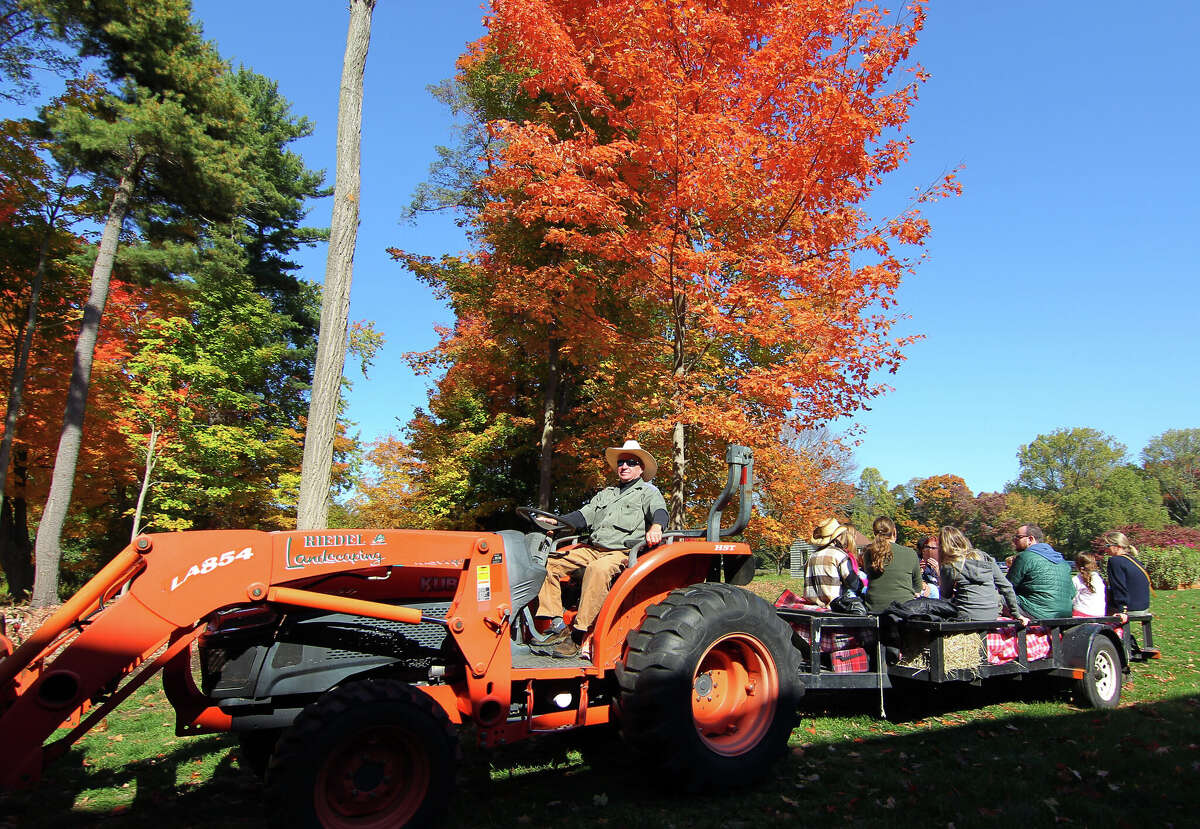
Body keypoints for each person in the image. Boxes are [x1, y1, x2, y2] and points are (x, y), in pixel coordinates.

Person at [534, 440, 668, 657]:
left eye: (630, 462)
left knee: (598, 570)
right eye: (621, 462)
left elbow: (660, 512)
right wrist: (554, 521)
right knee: (550, 562)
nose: (624, 466)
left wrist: (656, 526)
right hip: (593, 548)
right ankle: (556, 622)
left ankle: (578, 635)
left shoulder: (648, 492)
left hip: (621, 552)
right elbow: (581, 516)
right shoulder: (607, 494)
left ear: (641, 468)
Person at [938, 526, 1029, 624]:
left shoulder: (950, 566)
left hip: (966, 616)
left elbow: (945, 595)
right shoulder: (985, 558)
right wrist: (1016, 614)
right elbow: (1006, 587)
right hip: (992, 615)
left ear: (943, 546)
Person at [1005, 524, 1073, 619]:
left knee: (995, 598)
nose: (1014, 540)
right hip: (1065, 613)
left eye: (1018, 537)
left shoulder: (1025, 557)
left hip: (1037, 612)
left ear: (1030, 539)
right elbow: (1072, 592)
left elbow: (1007, 587)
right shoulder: (1063, 561)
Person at [862, 517, 922, 614]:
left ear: (874, 533)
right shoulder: (910, 553)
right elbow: (918, 587)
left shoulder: (868, 554)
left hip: (874, 609)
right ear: (894, 532)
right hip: (903, 610)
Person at [803, 518, 864, 607]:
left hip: (812, 607)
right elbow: (854, 584)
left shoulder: (811, 557)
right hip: (833, 608)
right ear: (836, 537)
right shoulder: (839, 555)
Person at [1102, 531, 1151, 623]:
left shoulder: (1115, 561)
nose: (1106, 549)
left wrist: (1122, 610)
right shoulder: (1133, 560)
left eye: (1108, 546)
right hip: (1143, 607)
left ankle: (1111, 635)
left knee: (1094, 609)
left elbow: (1118, 586)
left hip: (1130, 608)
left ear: (1117, 546)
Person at [1071, 552, 1106, 617]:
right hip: (1100, 614)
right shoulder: (1098, 578)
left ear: (1076, 565)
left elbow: (1071, 598)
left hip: (1082, 614)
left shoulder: (1076, 579)